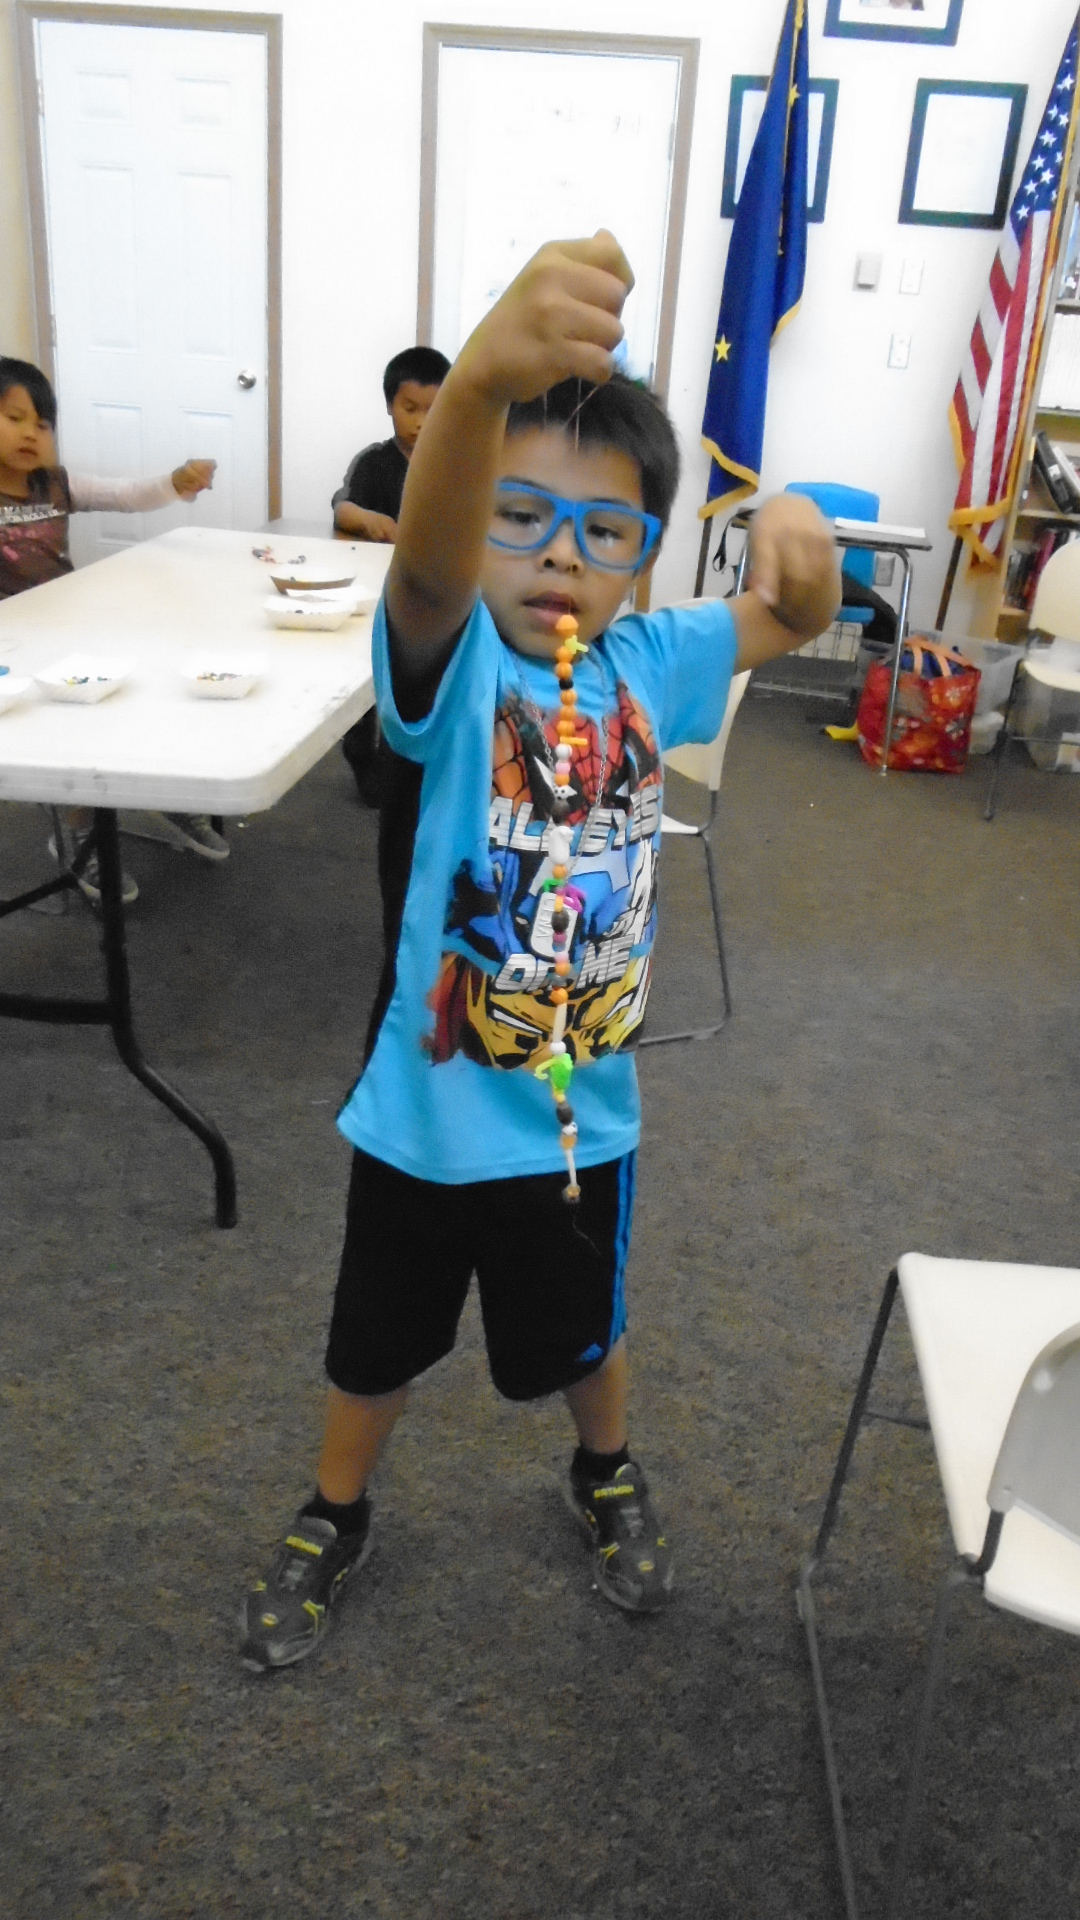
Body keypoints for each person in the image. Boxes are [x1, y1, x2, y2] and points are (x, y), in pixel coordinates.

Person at [240, 233, 839, 1672]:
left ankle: (605, 1471)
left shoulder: (652, 663)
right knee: (374, 1339)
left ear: (643, 556)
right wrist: (483, 385)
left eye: (603, 532)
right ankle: (335, 1510)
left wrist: (801, 532)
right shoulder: (456, 669)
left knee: (585, 1331)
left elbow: (792, 617)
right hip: (430, 1115)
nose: (560, 555)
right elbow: (433, 572)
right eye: (521, 516)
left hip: (583, 1122)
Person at [0, 357, 224, 903]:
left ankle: (162, 787)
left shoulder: (55, 484)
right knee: (68, 733)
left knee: (144, 678)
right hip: (11, 649)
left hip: (69, 626)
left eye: (44, 423)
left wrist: (174, 482)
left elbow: (125, 495)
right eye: (14, 417)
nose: (32, 432)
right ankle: (77, 835)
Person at [331, 346, 450, 805]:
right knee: (369, 672)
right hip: (376, 591)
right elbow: (342, 505)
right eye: (409, 408)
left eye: (433, 411)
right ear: (388, 405)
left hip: (432, 593)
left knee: (422, 683)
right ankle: (362, 749)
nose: (420, 421)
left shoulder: (456, 464)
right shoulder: (374, 461)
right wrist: (366, 518)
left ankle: (416, 761)